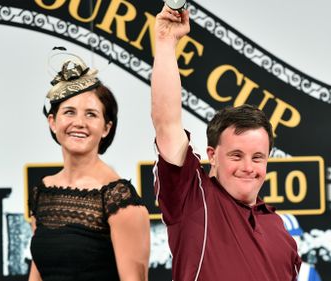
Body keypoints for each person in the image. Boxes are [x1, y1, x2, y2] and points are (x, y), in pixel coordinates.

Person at [150, 5, 301, 281]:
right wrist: (165, 42)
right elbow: (166, 123)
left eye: (258, 157)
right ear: (213, 155)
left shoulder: (280, 230)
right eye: (236, 155)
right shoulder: (193, 200)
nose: (248, 167)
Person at [28, 52, 150, 281]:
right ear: (52, 122)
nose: (79, 123)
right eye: (69, 112)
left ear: (106, 128)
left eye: (91, 114)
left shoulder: (119, 199)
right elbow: (38, 274)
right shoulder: (42, 192)